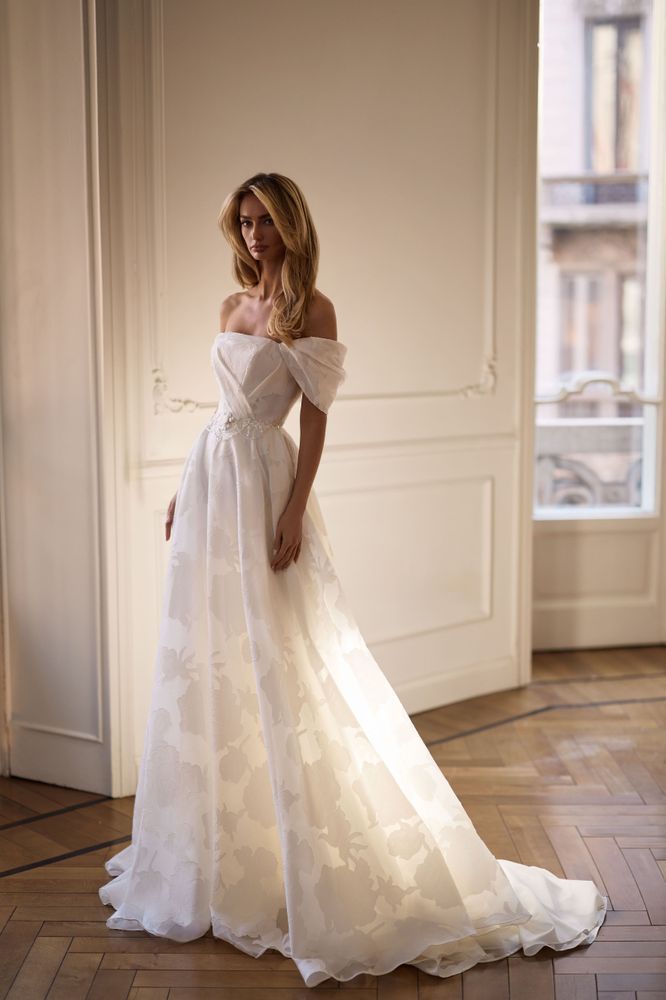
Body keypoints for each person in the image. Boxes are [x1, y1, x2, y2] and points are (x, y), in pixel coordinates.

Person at [99, 171, 607, 988]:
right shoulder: (231, 307)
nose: (256, 233)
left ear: (292, 223)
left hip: (266, 482)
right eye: (245, 220)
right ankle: (222, 850)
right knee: (213, 658)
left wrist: (295, 510)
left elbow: (313, 423)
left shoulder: (314, 312)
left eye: (267, 219)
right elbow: (218, 411)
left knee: (284, 655)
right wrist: (180, 490)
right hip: (211, 484)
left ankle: (313, 852)